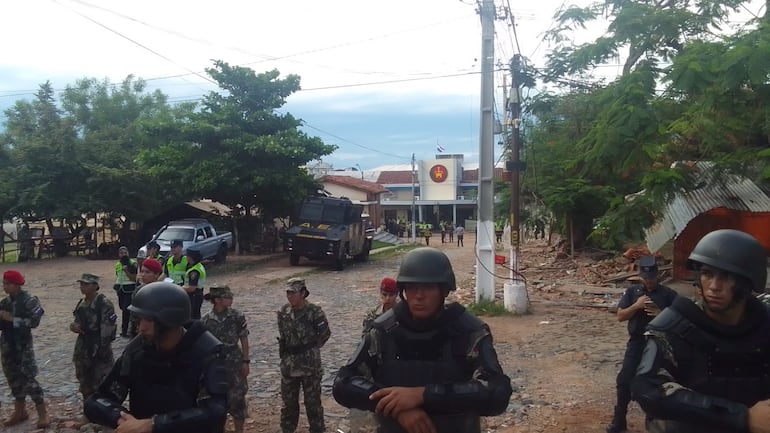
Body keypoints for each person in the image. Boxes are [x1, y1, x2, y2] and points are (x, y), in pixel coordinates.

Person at [333, 247, 513, 433]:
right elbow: (343, 383)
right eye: (412, 288)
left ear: (444, 291)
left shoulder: (468, 331)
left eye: (428, 287)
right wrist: (398, 408)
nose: (419, 296)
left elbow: (497, 392)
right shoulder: (384, 330)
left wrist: (423, 395)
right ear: (403, 290)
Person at [631, 229, 770, 433]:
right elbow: (648, 390)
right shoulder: (673, 327)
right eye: (707, 274)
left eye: (727, 276)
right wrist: (742, 417)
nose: (714, 286)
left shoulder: (764, 325)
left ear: (748, 283)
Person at [84, 281, 228, 433]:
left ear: (170, 319)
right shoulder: (137, 350)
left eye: (149, 320)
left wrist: (154, 424)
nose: (141, 327)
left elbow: (215, 413)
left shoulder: (207, 351)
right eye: (139, 319)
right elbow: (96, 401)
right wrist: (122, 419)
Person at [606, 256, 678, 433]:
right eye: (646, 279)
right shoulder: (633, 292)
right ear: (640, 277)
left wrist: (660, 314)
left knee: (655, 383)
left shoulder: (668, 295)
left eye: (652, 278)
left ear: (658, 275)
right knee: (624, 380)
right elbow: (620, 316)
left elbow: (679, 322)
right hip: (637, 342)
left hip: (660, 343)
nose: (649, 282)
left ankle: (655, 420)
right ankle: (619, 419)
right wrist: (636, 306)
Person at [277, 277, 331, 433]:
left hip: (309, 365)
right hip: (289, 364)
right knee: (288, 404)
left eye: (293, 293)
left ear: (303, 293)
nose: (289, 296)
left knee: (312, 403)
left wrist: (311, 350)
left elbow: (325, 334)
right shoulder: (283, 312)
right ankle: (287, 429)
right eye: (287, 293)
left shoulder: (314, 312)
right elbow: (283, 336)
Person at [0, 270, 50, 428]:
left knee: (29, 379)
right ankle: (20, 412)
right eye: (4, 283)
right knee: (13, 378)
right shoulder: (5, 302)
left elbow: (34, 322)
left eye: (7, 283)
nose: (4, 286)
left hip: (23, 346)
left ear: (17, 284)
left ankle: (43, 413)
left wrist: (13, 319)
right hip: (8, 344)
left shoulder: (29, 301)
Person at [201, 285, 250, 433]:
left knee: (238, 398)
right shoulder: (206, 320)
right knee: (215, 399)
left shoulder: (237, 316)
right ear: (217, 300)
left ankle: (239, 430)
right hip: (215, 363)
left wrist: (246, 361)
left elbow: (244, 339)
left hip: (234, 360)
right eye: (227, 297)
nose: (231, 299)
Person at [71, 273, 117, 425]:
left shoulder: (103, 303)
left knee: (101, 383)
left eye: (86, 284)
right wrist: (74, 327)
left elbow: (108, 329)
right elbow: (76, 322)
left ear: (95, 286)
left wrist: (100, 350)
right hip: (83, 347)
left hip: (99, 348)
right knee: (85, 382)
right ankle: (88, 413)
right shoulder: (81, 303)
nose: (82, 287)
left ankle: (103, 415)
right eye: (81, 284)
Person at [127, 257, 164, 338]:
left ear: (156, 274)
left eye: (147, 272)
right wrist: (132, 331)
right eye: (142, 271)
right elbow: (133, 313)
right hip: (139, 330)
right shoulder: (138, 290)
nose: (143, 275)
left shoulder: (162, 291)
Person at [114, 246, 138, 338]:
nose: (123, 255)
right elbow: (118, 276)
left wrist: (126, 271)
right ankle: (126, 330)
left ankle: (126, 330)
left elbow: (134, 278)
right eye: (121, 253)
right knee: (122, 308)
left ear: (128, 253)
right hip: (120, 290)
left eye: (125, 253)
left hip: (129, 289)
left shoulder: (132, 264)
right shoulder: (117, 264)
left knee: (126, 309)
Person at [184, 248, 206, 320]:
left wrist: (178, 288)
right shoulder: (199, 266)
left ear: (190, 257)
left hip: (194, 296)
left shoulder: (194, 271)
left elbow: (191, 288)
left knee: (192, 317)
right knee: (195, 315)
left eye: (187, 256)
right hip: (198, 294)